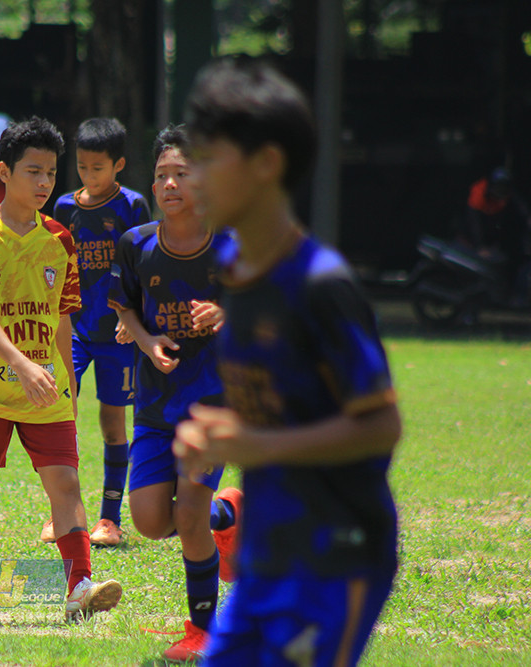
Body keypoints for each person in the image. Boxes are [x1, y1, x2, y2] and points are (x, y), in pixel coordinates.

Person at [174, 58, 402, 666]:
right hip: (267, 553)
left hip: (337, 553)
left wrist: (256, 447)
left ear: (267, 164)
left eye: (209, 158)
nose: (191, 177)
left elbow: (381, 425)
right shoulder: (232, 270)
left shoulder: (321, 286)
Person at [0, 117, 123, 625]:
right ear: (3, 172)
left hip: (47, 389)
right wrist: (21, 365)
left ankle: (79, 588)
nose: (44, 183)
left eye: (51, 173)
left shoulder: (60, 240)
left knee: (65, 484)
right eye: (33, 172)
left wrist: (67, 379)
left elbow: (64, 316)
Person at [107, 124, 242, 663]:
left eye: (181, 174)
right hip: (156, 407)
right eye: (161, 174)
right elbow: (124, 307)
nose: (169, 184)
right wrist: (147, 338)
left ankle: (201, 630)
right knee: (147, 521)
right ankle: (227, 517)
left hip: (213, 402)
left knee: (186, 516)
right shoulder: (136, 244)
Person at [45, 117, 152, 548]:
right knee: (57, 414)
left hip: (118, 335)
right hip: (72, 329)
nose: (89, 176)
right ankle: (62, 515)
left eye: (98, 168)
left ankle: (109, 519)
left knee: (112, 422)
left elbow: (143, 267)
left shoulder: (133, 206)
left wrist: (134, 318)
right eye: (83, 167)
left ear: (118, 165)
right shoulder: (65, 209)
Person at [460, 166, 531, 303]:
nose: (501, 191)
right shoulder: (479, 195)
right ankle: (471, 306)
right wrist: (480, 246)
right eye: (499, 187)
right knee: (476, 271)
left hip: (490, 240)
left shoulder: (505, 195)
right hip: (470, 240)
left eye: (504, 187)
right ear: (492, 186)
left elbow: (519, 205)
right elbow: (475, 224)